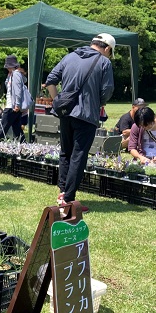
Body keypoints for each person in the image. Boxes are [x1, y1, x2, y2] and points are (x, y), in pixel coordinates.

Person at [45, 33, 115, 212]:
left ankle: (62, 193)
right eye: (110, 52)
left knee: (65, 153)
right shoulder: (104, 62)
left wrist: (57, 102)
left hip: (65, 113)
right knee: (78, 156)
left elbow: (50, 80)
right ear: (107, 48)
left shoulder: (70, 56)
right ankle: (68, 199)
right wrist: (99, 102)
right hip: (86, 116)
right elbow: (107, 90)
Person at [0, 55, 25, 142]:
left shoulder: (16, 74)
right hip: (13, 105)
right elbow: (8, 86)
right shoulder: (12, 74)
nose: (7, 68)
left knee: (3, 128)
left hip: (12, 106)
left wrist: (17, 104)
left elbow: (18, 90)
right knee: (17, 129)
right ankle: (23, 145)